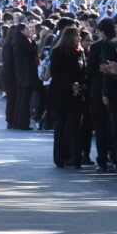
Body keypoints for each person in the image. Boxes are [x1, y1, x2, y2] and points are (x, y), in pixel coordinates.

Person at [48, 27, 86, 169]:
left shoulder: (80, 52)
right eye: (77, 36)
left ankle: (76, 158)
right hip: (61, 94)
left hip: (76, 94)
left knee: (75, 128)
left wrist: (79, 85)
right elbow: (55, 73)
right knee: (60, 126)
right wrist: (71, 85)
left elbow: (83, 72)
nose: (79, 39)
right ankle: (59, 158)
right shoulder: (57, 52)